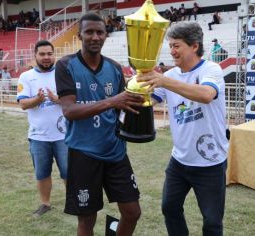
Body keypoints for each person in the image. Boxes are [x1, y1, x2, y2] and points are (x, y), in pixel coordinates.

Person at [55, 12, 143, 236]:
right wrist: (113, 100)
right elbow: (69, 111)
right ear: (79, 35)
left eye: (100, 32)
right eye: (89, 32)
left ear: (106, 35)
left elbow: (121, 108)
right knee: (86, 219)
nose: (95, 37)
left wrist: (139, 101)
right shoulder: (66, 65)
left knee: (132, 212)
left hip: (115, 151)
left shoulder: (114, 68)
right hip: (83, 152)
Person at [137, 22, 229, 236]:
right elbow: (149, 100)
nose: (172, 51)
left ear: (194, 46)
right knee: (169, 208)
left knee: (212, 221)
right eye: (170, 46)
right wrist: (138, 82)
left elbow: (206, 95)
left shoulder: (211, 69)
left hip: (210, 161)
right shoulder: (169, 76)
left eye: (176, 45)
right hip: (179, 160)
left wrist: (164, 81)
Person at [17, 40, 68, 217]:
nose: (46, 57)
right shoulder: (26, 77)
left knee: (68, 172)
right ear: (35, 56)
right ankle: (45, 204)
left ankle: (73, 202)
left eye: (49, 53)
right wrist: (37, 100)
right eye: (42, 54)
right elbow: (23, 104)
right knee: (42, 173)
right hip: (38, 137)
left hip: (64, 135)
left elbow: (73, 100)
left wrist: (57, 100)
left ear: (54, 54)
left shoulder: (64, 73)